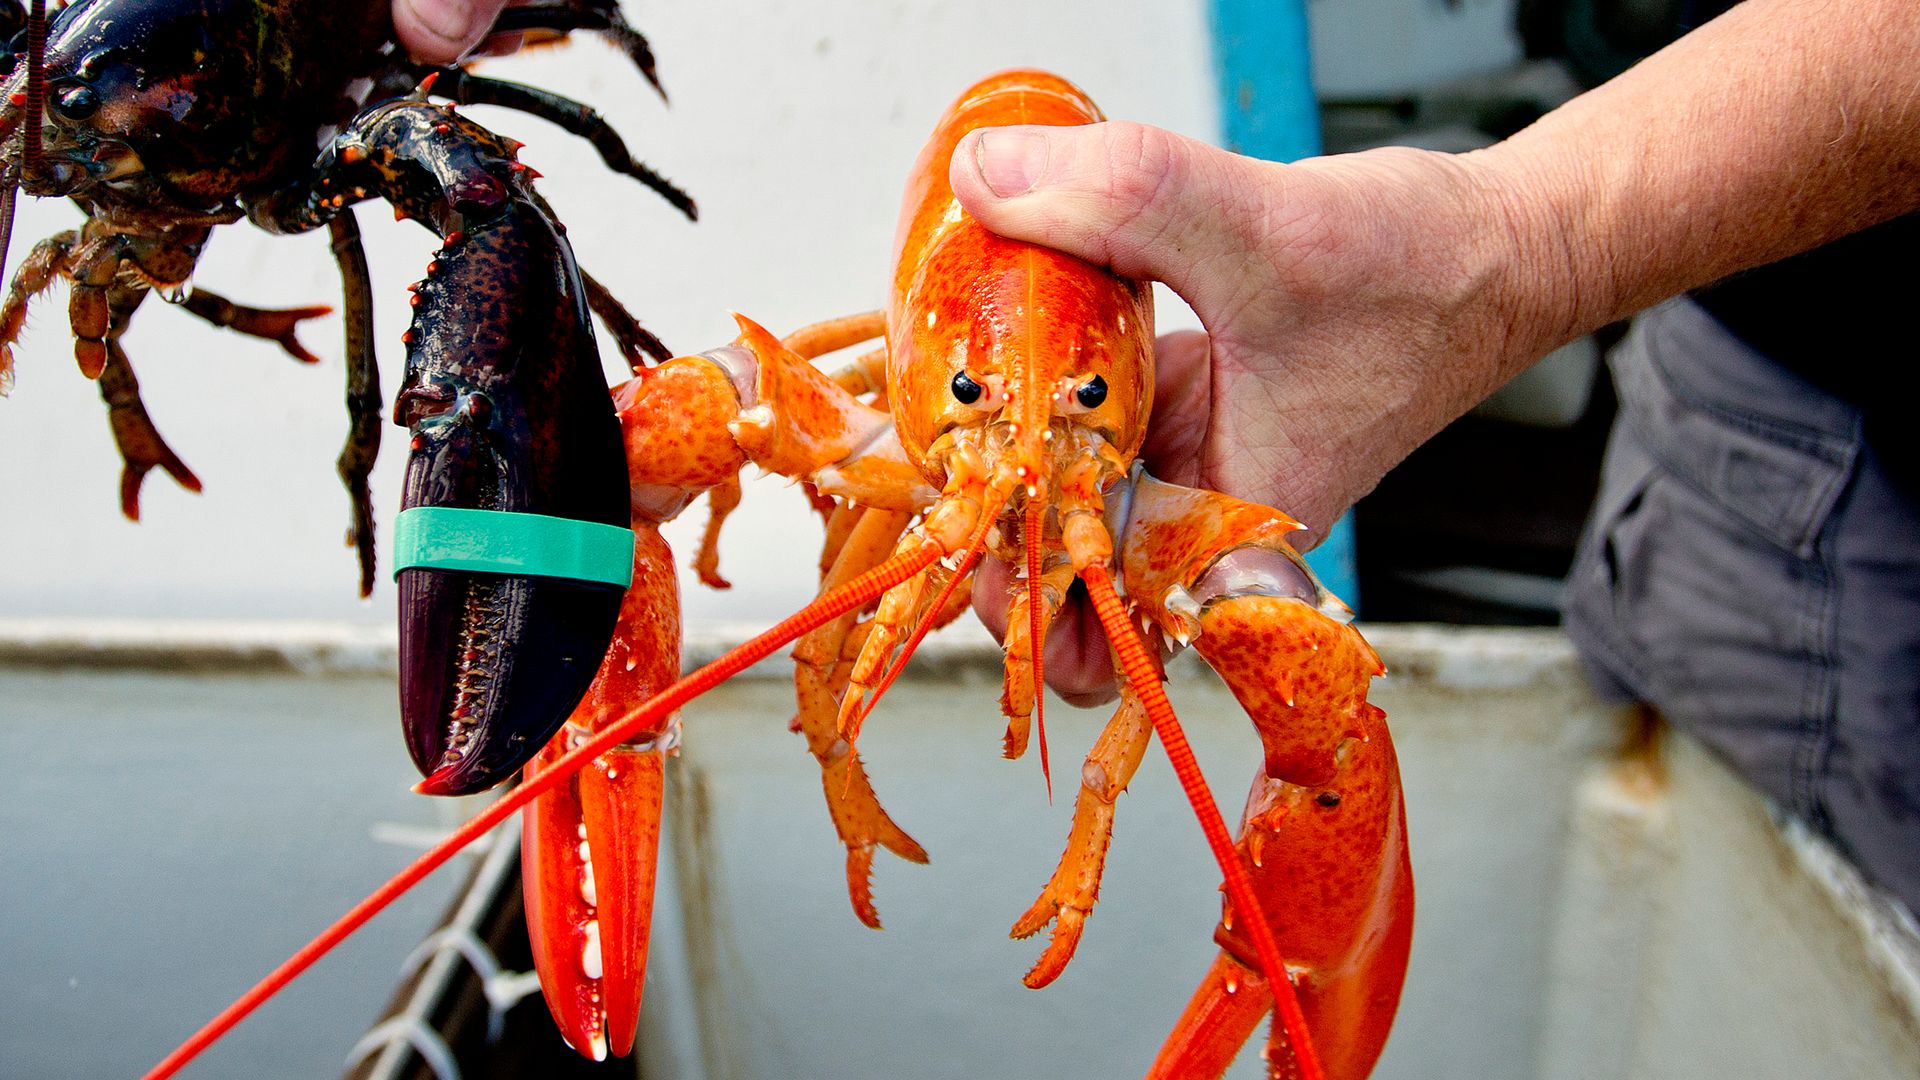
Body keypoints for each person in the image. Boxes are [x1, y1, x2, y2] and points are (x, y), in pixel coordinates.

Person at [396, 0, 1919, 912]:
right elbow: (655, 457)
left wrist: (1504, 250)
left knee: (1322, 713)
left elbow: (1314, 720)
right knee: (633, 481)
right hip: (1796, 384)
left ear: (1139, 355)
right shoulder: (881, 382)